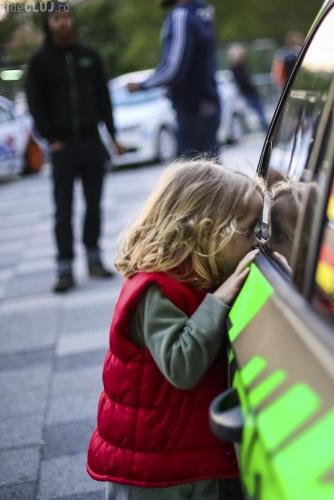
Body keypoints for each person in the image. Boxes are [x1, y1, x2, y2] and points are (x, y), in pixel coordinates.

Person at [87, 160, 264, 500]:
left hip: (184, 457)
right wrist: (220, 300)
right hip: (150, 471)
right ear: (210, 232)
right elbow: (181, 365)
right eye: (249, 230)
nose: (257, 242)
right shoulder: (154, 290)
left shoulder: (195, 277)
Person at [25, 1, 124, 293]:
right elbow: (35, 103)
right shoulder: (39, 62)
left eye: (67, 17)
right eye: (57, 18)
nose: (63, 22)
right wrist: (49, 137)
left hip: (91, 142)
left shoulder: (90, 57)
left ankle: (94, 258)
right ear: (48, 24)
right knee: (63, 209)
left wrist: (112, 135)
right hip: (62, 147)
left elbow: (104, 99)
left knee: (94, 205)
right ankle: (64, 267)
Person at [127, 0, 221, 158]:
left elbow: (174, 67)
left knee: (193, 166)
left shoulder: (180, 16)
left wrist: (142, 85)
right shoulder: (202, 12)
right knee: (209, 163)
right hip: (207, 103)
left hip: (192, 108)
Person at [228, 45, 270, 132]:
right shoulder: (235, 68)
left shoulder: (243, 65)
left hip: (251, 92)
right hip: (247, 93)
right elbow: (243, 81)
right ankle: (266, 128)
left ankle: (266, 128)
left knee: (260, 111)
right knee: (258, 111)